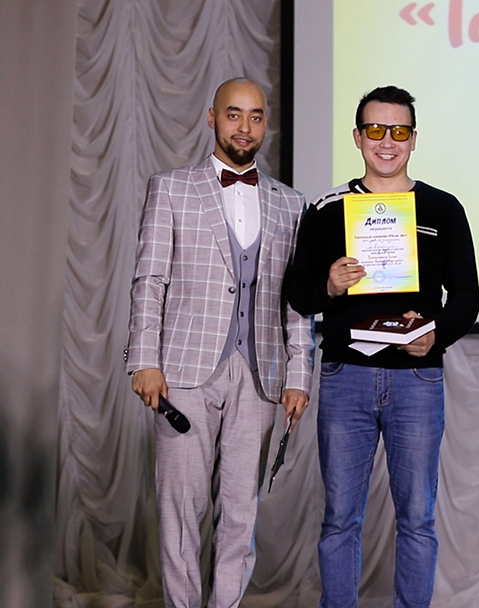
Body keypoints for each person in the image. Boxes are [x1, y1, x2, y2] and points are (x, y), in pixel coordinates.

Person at [284, 85, 479, 608]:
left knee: (417, 516)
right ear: (357, 137)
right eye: (375, 130)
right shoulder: (328, 208)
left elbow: (467, 296)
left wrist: (434, 333)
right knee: (339, 517)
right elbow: (298, 293)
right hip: (344, 376)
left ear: (414, 139)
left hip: (417, 379)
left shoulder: (443, 207)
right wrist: (329, 285)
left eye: (398, 131)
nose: (386, 142)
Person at [126, 78, 314, 608]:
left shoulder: (291, 204)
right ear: (212, 118)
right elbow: (149, 280)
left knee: (240, 514)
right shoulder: (171, 188)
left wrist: (299, 374)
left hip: (260, 374)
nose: (245, 127)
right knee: (180, 513)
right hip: (183, 372)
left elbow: (296, 299)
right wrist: (143, 360)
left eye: (256, 116)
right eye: (234, 114)